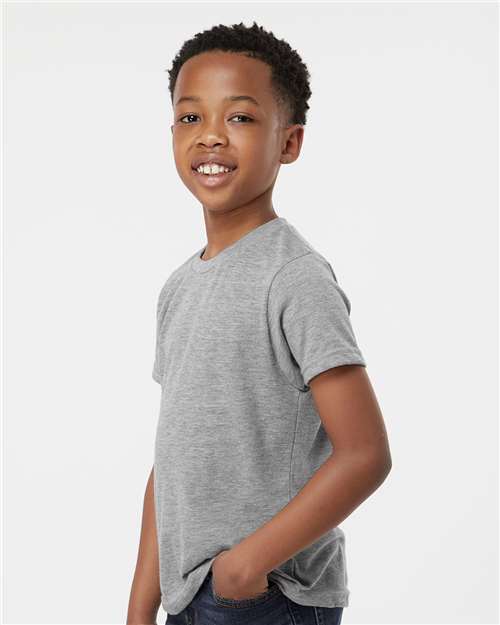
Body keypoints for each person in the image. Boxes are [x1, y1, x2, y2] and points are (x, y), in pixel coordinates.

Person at [127, 21, 392, 625]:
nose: (210, 135)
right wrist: (141, 607)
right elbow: (173, 459)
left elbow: (365, 453)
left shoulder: (294, 278)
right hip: (188, 595)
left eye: (241, 117)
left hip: (265, 597)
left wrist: (244, 570)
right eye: (190, 117)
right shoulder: (178, 288)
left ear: (289, 143)